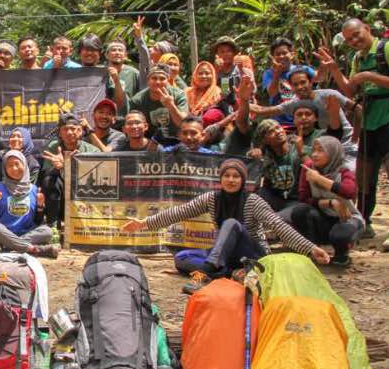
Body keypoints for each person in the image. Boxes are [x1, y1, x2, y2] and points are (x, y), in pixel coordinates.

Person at [122, 158, 330, 294]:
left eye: (236, 176)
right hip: (226, 256)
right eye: (227, 176)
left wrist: (310, 248)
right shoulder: (212, 198)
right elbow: (180, 211)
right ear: (220, 179)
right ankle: (231, 274)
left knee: (231, 223)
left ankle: (206, 273)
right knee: (181, 258)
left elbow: (278, 225)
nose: (231, 180)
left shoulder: (253, 201)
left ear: (242, 180)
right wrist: (144, 223)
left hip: (253, 254)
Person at [316, 19, 389, 250]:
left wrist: (369, 76)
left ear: (367, 29)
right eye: (349, 39)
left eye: (356, 35)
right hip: (368, 123)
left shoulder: (387, 48)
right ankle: (364, 223)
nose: (354, 41)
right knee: (364, 180)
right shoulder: (357, 58)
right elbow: (350, 89)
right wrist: (335, 69)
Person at [288, 136, 365, 268]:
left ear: (332, 152)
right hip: (323, 217)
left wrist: (319, 179)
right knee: (300, 211)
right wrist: (330, 202)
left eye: (320, 151)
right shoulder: (309, 168)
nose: (315, 155)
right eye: (314, 150)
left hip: (346, 218)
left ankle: (342, 254)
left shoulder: (344, 170)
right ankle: (311, 250)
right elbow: (303, 198)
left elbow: (349, 191)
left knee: (341, 234)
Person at [251, 67, 356, 160]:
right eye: (295, 84)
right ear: (291, 87)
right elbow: (262, 110)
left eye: (303, 82)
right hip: (325, 149)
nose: (300, 87)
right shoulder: (294, 104)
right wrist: (243, 101)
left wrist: (356, 137)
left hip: (347, 145)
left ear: (310, 82)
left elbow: (357, 109)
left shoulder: (329, 95)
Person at [0, 150, 57, 257]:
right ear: (4, 169)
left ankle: (8, 246)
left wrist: (40, 206)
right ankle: (34, 249)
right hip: (4, 232)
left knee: (47, 231)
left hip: (26, 233)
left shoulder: (34, 189)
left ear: (24, 164)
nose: (14, 168)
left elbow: (37, 221)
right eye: (10, 165)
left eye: (17, 164)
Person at [39, 112, 100, 226]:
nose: (69, 132)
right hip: (61, 197)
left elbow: (95, 179)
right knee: (49, 181)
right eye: (65, 129)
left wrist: (68, 166)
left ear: (80, 131)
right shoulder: (53, 147)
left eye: (73, 128)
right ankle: (53, 225)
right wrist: (57, 169)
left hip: (83, 195)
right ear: (60, 133)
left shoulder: (92, 151)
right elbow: (46, 173)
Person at [249, 119, 301, 216]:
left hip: (296, 200)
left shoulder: (298, 149)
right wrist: (258, 161)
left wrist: (302, 153)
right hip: (276, 199)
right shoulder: (264, 155)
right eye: (271, 131)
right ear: (264, 140)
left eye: (278, 128)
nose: (278, 132)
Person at [128, 64, 189, 143]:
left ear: (168, 79)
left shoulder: (178, 95)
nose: (158, 82)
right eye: (154, 78)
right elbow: (132, 126)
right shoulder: (138, 100)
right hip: (149, 142)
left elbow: (182, 124)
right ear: (148, 80)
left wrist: (170, 105)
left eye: (162, 78)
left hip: (177, 140)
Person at [105, 40, 140, 109]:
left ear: (125, 55)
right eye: (113, 50)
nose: (117, 53)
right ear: (107, 55)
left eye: (120, 50)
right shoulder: (100, 73)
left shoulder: (134, 73)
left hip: (127, 117)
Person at [210, 36, 242, 107]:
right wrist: (216, 70)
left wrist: (241, 68)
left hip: (239, 104)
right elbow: (209, 90)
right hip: (219, 105)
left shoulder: (239, 68)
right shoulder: (212, 70)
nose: (226, 54)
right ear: (217, 55)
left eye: (229, 51)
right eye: (222, 52)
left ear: (234, 53)